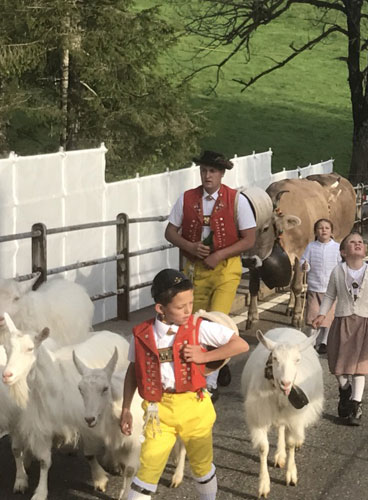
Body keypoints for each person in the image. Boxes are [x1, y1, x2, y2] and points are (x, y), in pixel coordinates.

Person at [119, 269, 249, 500]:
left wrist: (204, 357)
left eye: (190, 302)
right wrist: (126, 408)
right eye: (181, 307)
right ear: (161, 308)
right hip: (157, 411)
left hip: (194, 406)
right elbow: (133, 370)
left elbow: (240, 345)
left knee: (201, 466)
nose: (188, 310)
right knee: (148, 467)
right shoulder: (140, 335)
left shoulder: (200, 328)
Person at [165, 150, 256, 398]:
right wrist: (190, 246)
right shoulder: (187, 198)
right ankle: (210, 367)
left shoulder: (237, 200)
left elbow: (249, 238)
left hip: (226, 269)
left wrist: (221, 254)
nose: (207, 176)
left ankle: (210, 382)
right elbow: (170, 232)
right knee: (194, 323)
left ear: (222, 174)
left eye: (212, 171)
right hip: (195, 271)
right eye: (204, 171)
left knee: (216, 319)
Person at [312, 232, 368, 426]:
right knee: (338, 364)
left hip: (365, 324)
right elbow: (329, 296)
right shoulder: (338, 272)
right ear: (343, 252)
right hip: (342, 322)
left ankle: (356, 404)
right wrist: (321, 314)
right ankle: (345, 389)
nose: (357, 244)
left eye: (360, 242)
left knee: (360, 367)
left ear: (365, 250)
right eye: (352, 242)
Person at [300, 218, 340, 355]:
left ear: (331, 231)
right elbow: (303, 260)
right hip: (314, 287)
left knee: (328, 317)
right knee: (313, 316)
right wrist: (305, 265)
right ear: (315, 232)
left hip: (331, 290)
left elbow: (341, 265)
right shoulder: (311, 246)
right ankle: (310, 342)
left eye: (327, 228)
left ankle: (324, 341)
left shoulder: (337, 247)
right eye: (320, 228)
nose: (324, 230)